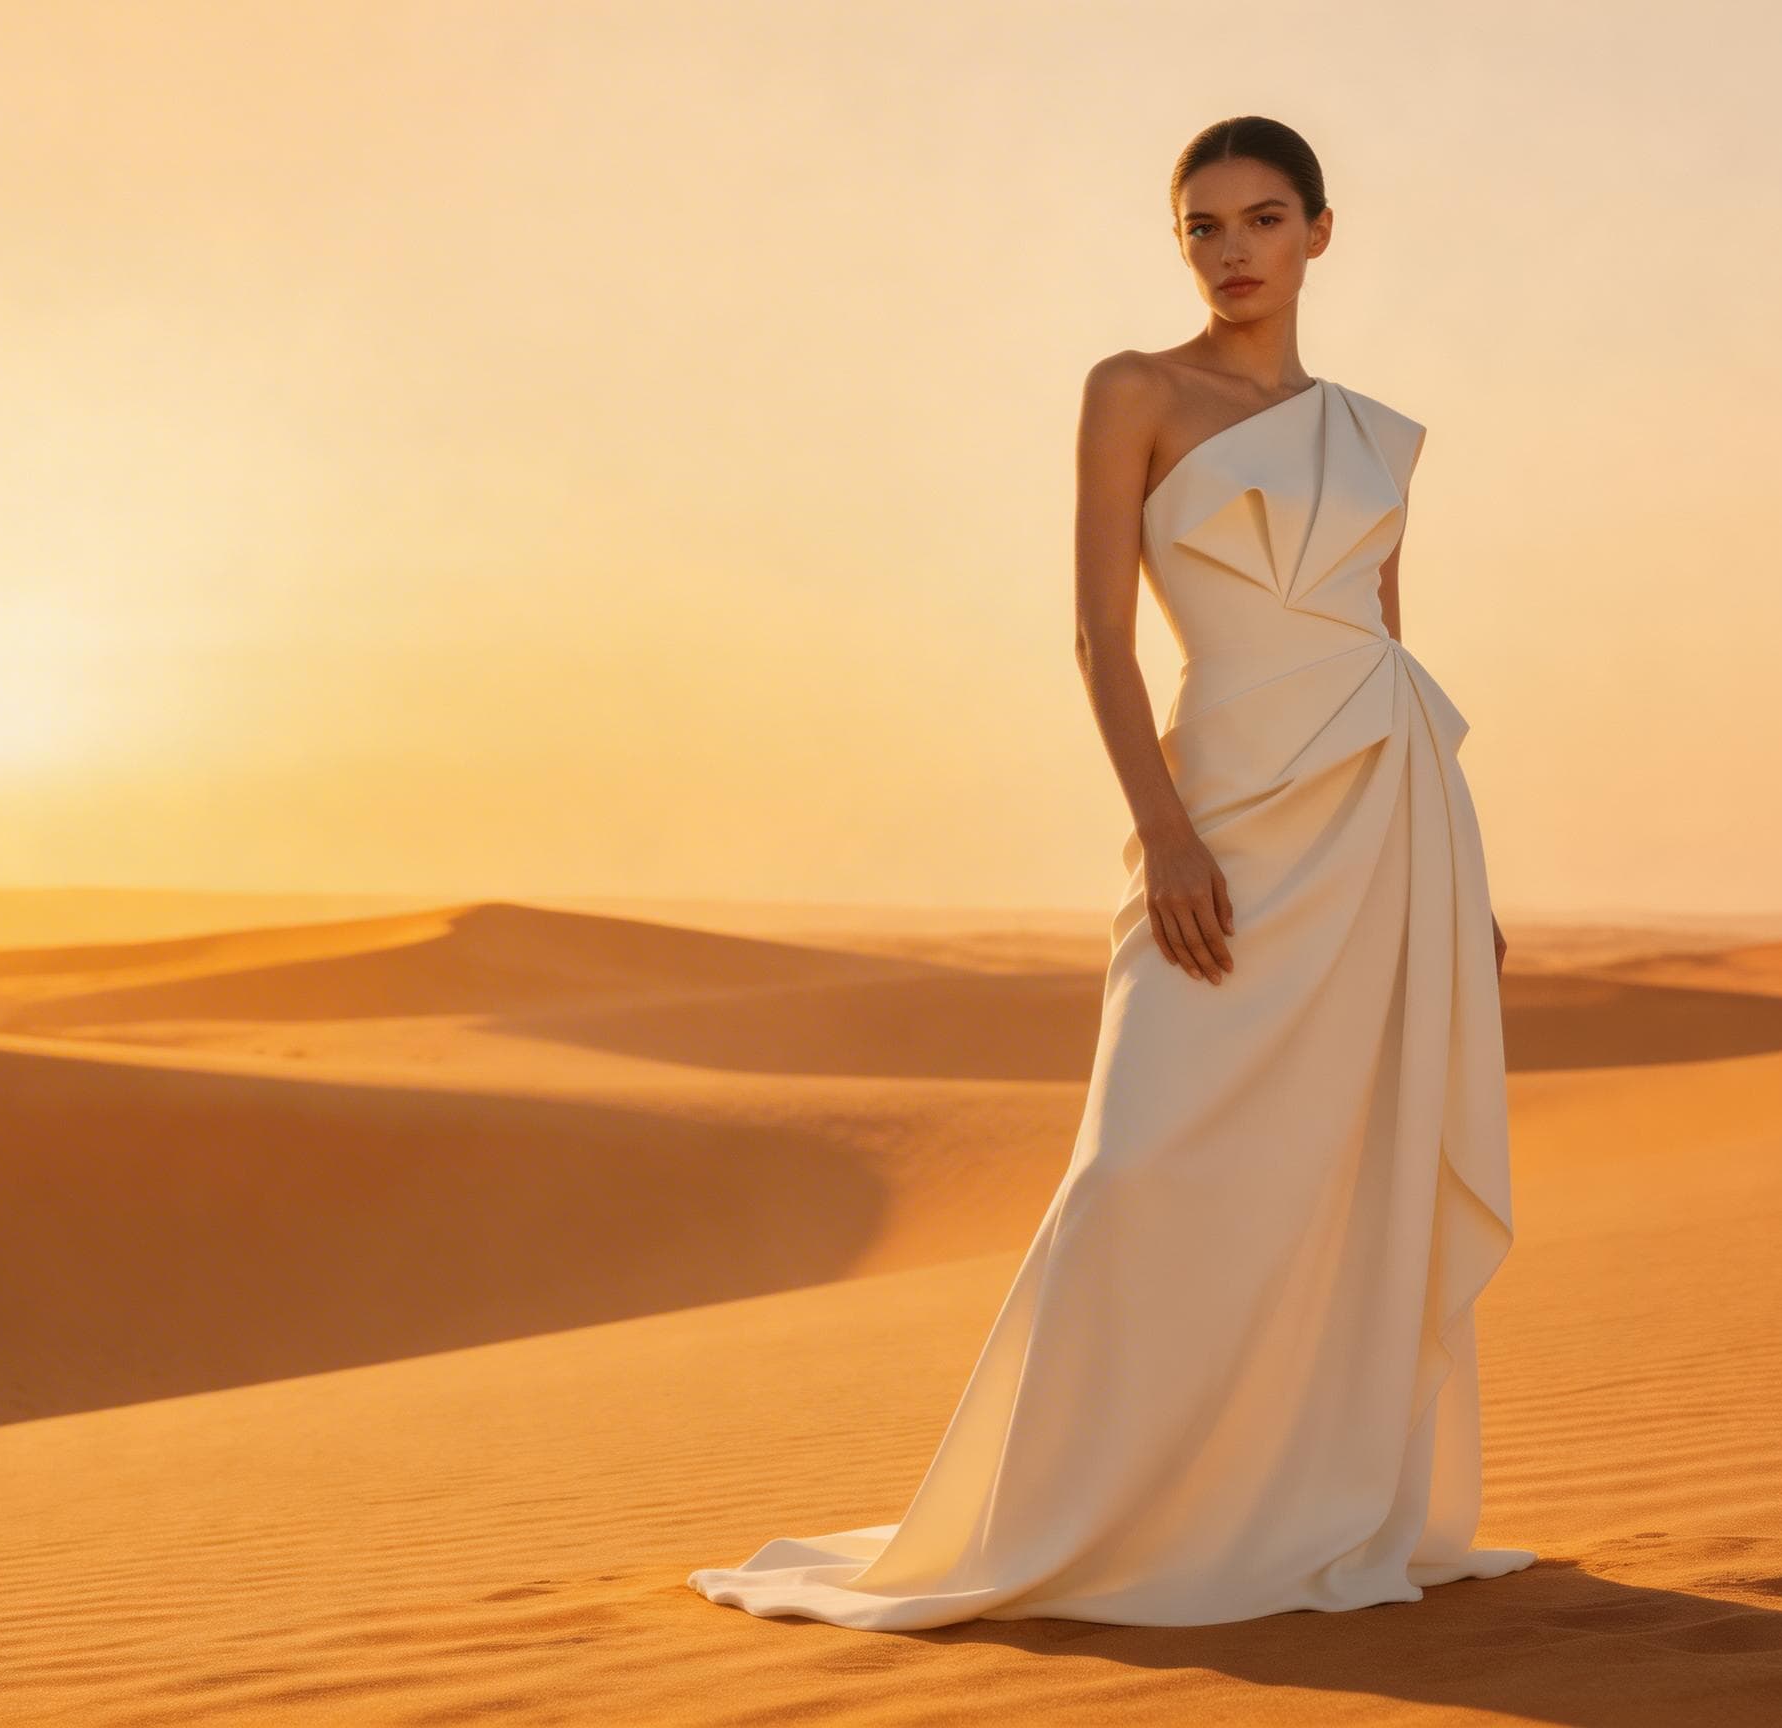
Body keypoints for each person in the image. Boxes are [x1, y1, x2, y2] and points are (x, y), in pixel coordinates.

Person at [687, 115, 1534, 1630]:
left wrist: (1461, 884)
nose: (1232, 252)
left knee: (1343, 1166)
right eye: (1201, 227)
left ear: (1321, 235)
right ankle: (1068, 1510)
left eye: (1263, 220)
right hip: (1219, 800)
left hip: (1383, 805)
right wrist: (1164, 828)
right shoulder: (1133, 391)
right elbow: (1099, 633)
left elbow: (1384, 644)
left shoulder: (1374, 434)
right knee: (1140, 1160)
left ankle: (1287, 1498)